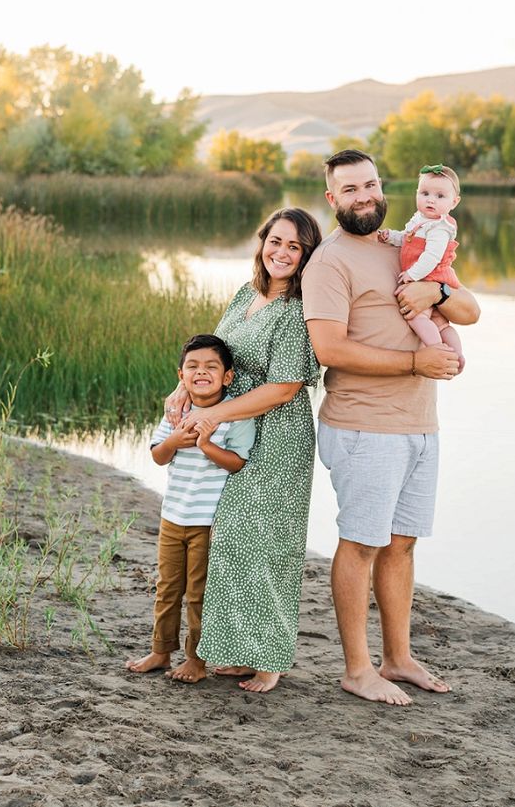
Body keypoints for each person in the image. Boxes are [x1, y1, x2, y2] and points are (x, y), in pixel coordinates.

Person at [301, 148, 480, 706]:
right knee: (361, 544)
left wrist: (440, 292)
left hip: (420, 423)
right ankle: (358, 669)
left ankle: (398, 658)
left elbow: (471, 310)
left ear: (384, 187)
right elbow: (327, 347)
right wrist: (413, 363)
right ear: (332, 199)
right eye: (350, 189)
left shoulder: (404, 244)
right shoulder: (329, 262)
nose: (365, 197)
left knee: (401, 545)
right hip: (363, 426)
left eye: (371, 185)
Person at [166, 207, 323, 693]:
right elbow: (213, 353)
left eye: (294, 247)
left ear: (306, 256)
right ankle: (236, 651)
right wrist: (181, 392)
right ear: (262, 243)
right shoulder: (244, 294)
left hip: (278, 436)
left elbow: (283, 386)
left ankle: (270, 657)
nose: (281, 252)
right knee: (230, 539)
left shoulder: (297, 310)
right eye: (275, 241)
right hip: (236, 429)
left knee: (265, 543)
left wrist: (211, 415)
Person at [125, 334, 256, 683]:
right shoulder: (176, 412)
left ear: (227, 376)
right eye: (193, 366)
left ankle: (196, 660)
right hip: (173, 517)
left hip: (207, 522)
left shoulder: (235, 414)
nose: (202, 372)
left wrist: (205, 444)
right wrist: (175, 440)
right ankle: (160, 650)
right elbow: (157, 455)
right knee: (167, 587)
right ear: (181, 375)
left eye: (211, 367)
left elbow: (237, 463)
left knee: (198, 594)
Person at [378, 163, 465, 371]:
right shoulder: (421, 220)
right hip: (427, 277)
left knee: (417, 317)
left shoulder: (439, 228)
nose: (430, 200)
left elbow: (431, 257)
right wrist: (391, 237)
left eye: (440, 196)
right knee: (442, 324)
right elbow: (408, 240)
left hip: (429, 277)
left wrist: (412, 274)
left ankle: (437, 350)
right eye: (424, 193)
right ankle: (457, 354)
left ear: (454, 202)